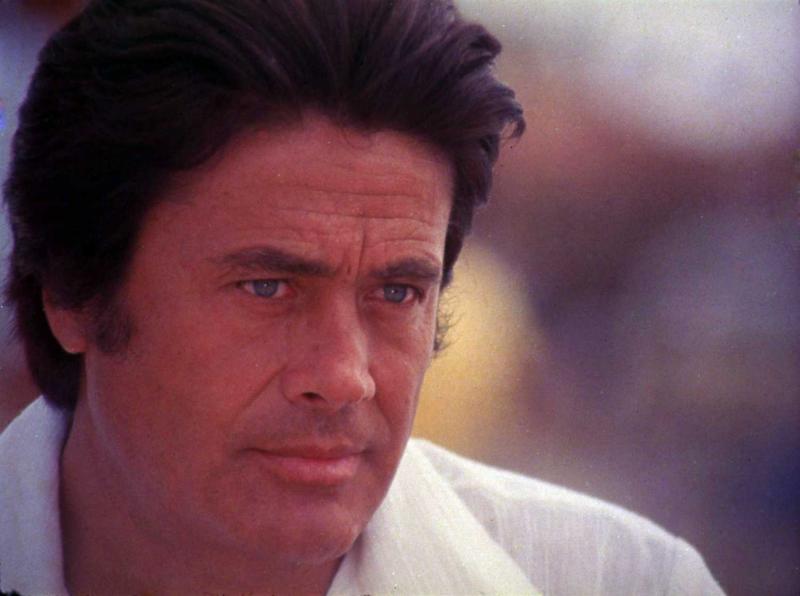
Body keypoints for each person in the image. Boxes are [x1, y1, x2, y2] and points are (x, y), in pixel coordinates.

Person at [0, 1, 724, 593]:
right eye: (266, 287)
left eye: (398, 292)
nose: (345, 377)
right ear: (73, 292)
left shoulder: (627, 582)